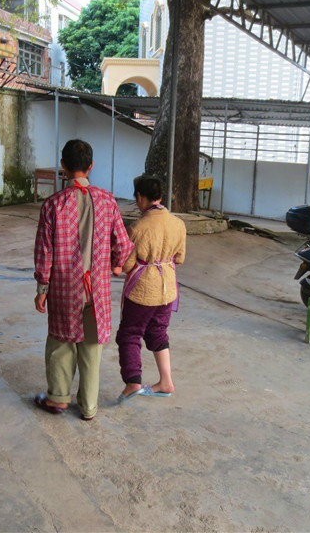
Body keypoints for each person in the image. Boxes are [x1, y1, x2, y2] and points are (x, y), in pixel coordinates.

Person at [33, 139, 134, 421]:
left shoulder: (52, 205)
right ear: (90, 166)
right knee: (91, 347)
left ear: (62, 166)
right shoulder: (107, 200)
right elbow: (124, 245)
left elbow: (44, 251)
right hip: (97, 290)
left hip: (64, 288)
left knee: (60, 343)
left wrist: (42, 288)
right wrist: (115, 265)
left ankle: (58, 400)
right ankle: (89, 407)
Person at [116, 175, 186, 402]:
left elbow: (126, 264)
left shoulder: (137, 227)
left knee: (129, 333)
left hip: (143, 290)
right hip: (167, 288)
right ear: (161, 196)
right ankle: (166, 381)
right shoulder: (178, 224)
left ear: (140, 197)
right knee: (157, 332)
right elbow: (180, 258)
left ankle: (132, 383)